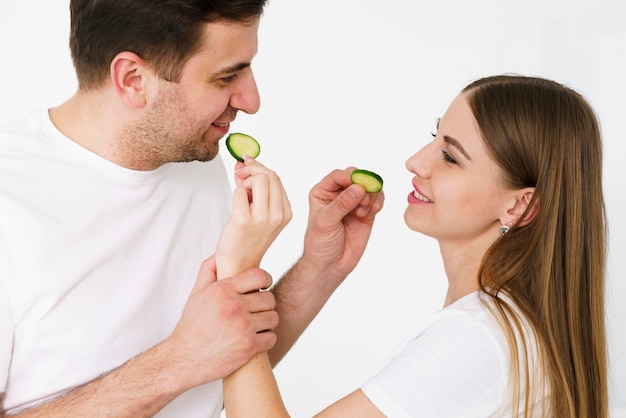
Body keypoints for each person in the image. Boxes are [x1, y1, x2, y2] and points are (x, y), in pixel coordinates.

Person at [0, 1, 384, 416]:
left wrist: (320, 268)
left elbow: (222, 362)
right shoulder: (11, 201)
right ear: (133, 79)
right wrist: (176, 360)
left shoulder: (196, 164)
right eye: (226, 76)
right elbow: (195, 359)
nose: (251, 100)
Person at [218, 74, 609, 417]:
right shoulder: (504, 327)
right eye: (433, 137)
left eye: (450, 157)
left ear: (519, 205)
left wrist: (239, 275)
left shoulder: (477, 339)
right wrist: (323, 266)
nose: (415, 162)